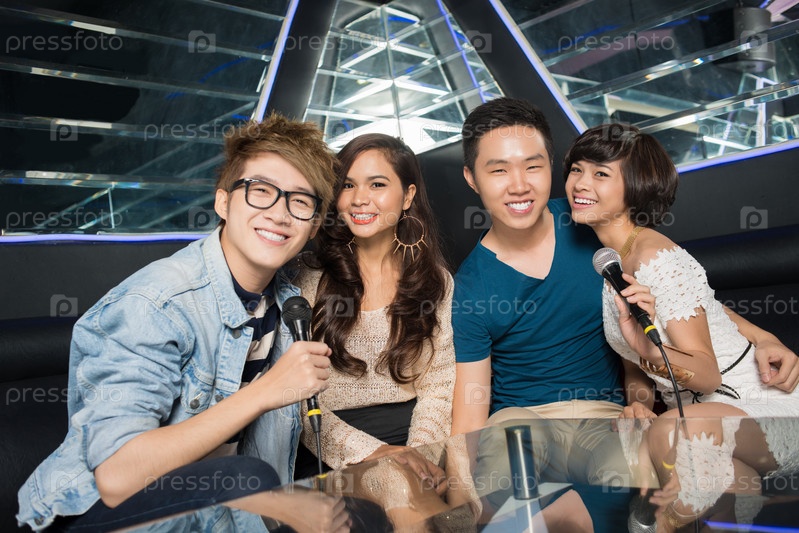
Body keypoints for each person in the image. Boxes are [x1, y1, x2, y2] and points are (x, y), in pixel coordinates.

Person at [17, 114, 350, 532]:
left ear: (314, 223)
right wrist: (267, 392)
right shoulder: (154, 303)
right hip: (106, 517)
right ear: (223, 202)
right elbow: (117, 477)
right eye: (261, 191)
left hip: (211, 511)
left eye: (299, 201)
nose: (280, 214)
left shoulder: (288, 304)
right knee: (249, 478)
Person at [563, 122, 799, 528]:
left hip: (759, 404)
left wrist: (648, 347)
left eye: (600, 173)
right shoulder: (612, 264)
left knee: (672, 434)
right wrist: (639, 402)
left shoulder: (657, 257)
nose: (580, 184)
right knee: (711, 486)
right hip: (702, 431)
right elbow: (636, 365)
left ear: (635, 187)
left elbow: (706, 376)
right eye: (576, 169)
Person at [293, 134, 455, 492]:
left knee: (441, 505)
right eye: (348, 185)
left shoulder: (434, 280)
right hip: (326, 445)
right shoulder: (305, 276)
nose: (359, 198)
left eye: (377, 184)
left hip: (412, 436)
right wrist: (373, 453)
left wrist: (419, 455)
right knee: (402, 499)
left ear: (408, 196)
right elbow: (296, 400)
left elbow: (439, 389)